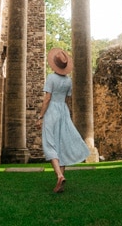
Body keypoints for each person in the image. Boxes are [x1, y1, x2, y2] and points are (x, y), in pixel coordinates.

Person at [38, 47, 90, 193]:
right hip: (63, 110)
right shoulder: (68, 81)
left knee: (49, 144)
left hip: (52, 111)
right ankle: (61, 178)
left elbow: (47, 98)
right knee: (62, 144)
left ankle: (59, 176)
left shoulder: (51, 78)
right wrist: (67, 114)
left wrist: (40, 116)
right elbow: (67, 99)